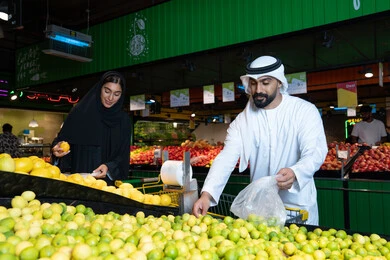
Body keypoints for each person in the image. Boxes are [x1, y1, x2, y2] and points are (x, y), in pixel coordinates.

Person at [192, 56, 328, 225]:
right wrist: (207, 194)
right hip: (260, 209)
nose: (258, 90)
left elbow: (315, 151)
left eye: (265, 82)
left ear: (279, 82)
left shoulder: (303, 111)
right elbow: (226, 158)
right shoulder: (243, 121)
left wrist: (296, 172)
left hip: (297, 206)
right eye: (254, 83)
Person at [51, 71, 131, 185]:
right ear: (99, 89)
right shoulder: (79, 113)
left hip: (106, 186)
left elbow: (122, 155)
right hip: (78, 181)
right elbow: (61, 140)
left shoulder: (123, 121)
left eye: (116, 94)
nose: (110, 98)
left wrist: (109, 167)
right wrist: (57, 149)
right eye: (107, 91)